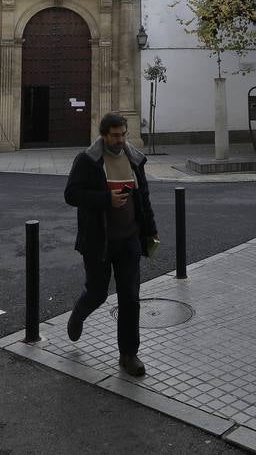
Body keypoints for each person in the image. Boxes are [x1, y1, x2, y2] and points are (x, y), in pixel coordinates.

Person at [63, 112, 158, 377]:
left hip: (129, 240)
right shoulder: (88, 160)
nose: (120, 139)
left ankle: (129, 355)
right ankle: (78, 314)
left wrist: (150, 229)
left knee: (130, 297)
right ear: (103, 134)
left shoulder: (133, 158)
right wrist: (106, 199)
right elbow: (71, 194)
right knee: (97, 293)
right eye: (115, 135)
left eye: (123, 134)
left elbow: (144, 198)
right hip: (98, 241)